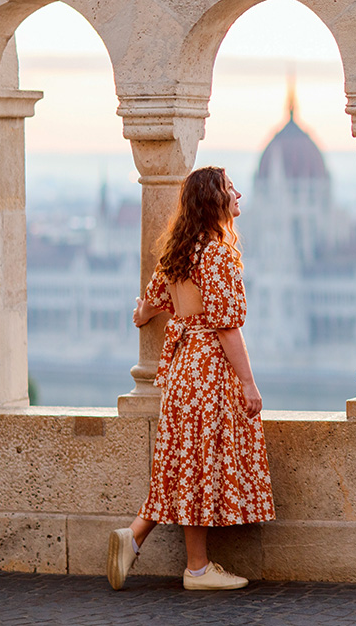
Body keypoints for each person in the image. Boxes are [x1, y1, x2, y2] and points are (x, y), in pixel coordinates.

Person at [107, 166, 275, 591]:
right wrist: (250, 384)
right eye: (229, 189)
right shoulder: (218, 252)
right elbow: (226, 326)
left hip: (182, 369)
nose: (238, 194)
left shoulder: (180, 251)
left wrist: (144, 313)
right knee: (199, 464)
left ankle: (133, 537)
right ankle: (197, 569)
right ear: (213, 201)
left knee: (182, 463)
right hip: (209, 368)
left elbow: (150, 303)